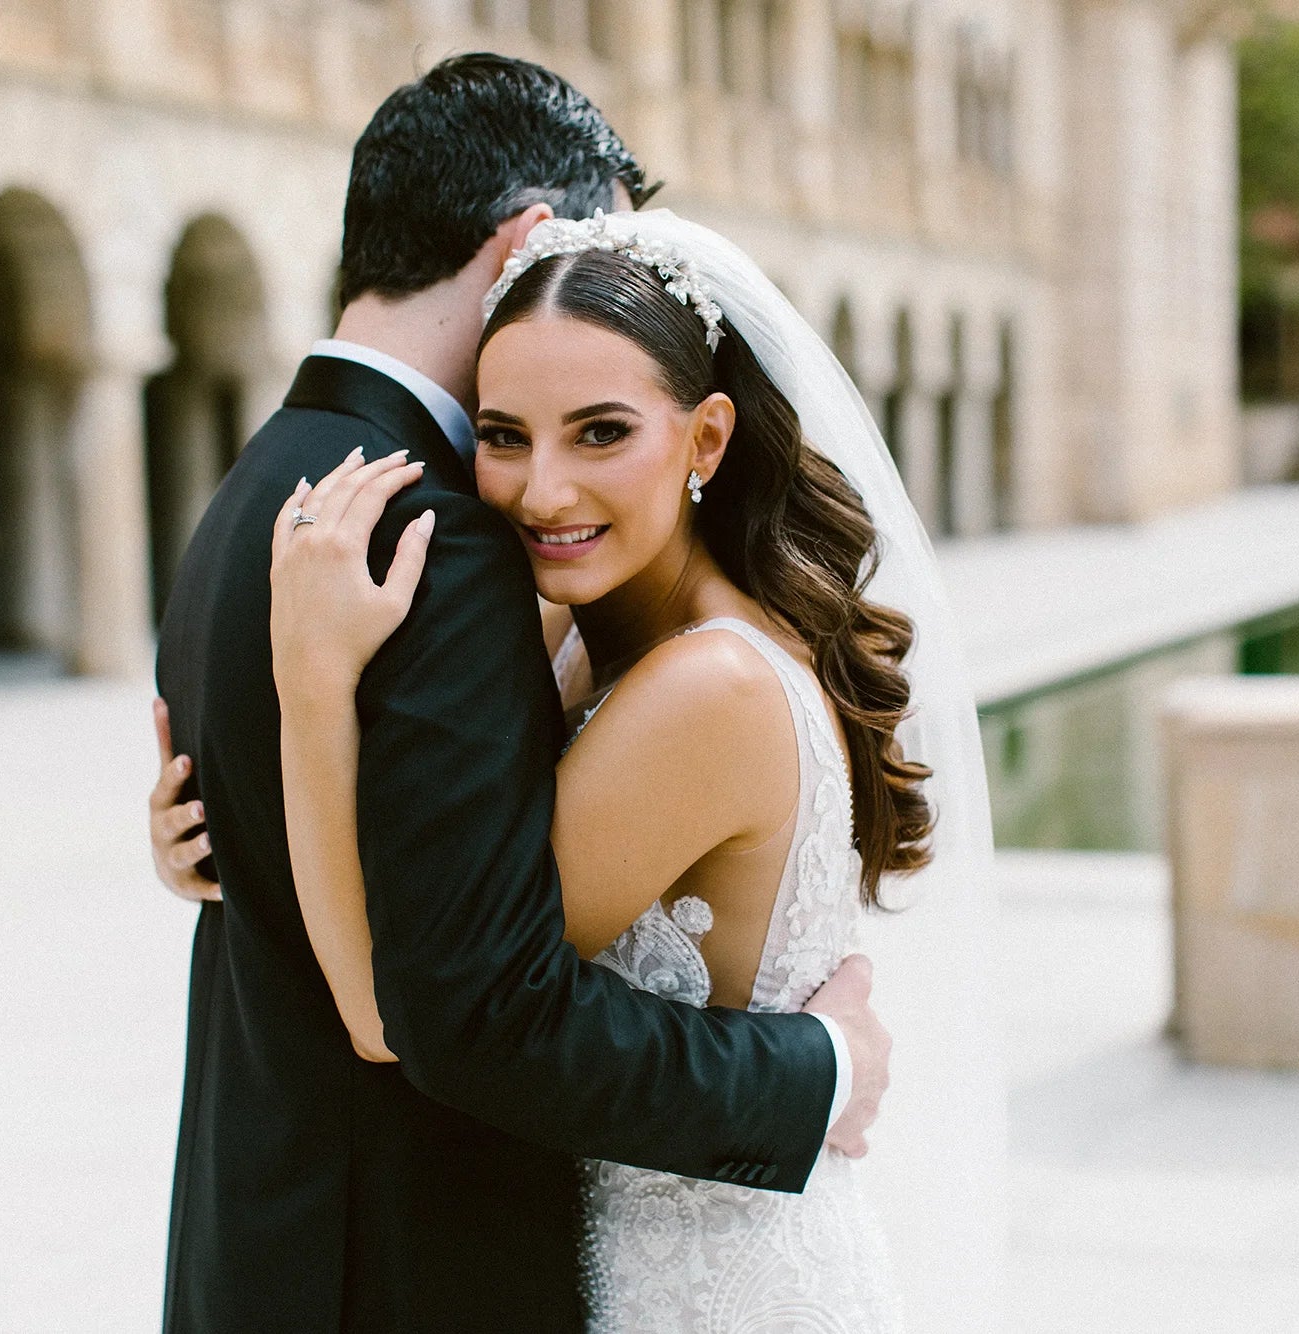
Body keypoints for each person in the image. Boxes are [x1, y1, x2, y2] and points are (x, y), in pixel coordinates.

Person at [148, 56, 893, 1331]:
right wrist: (803, 1074)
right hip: (401, 1263)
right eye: (509, 433)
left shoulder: (264, 483)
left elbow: (436, 969)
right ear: (534, 242)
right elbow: (459, 1006)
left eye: (598, 430)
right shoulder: (428, 532)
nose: (540, 485)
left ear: (702, 437)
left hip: (279, 1234)